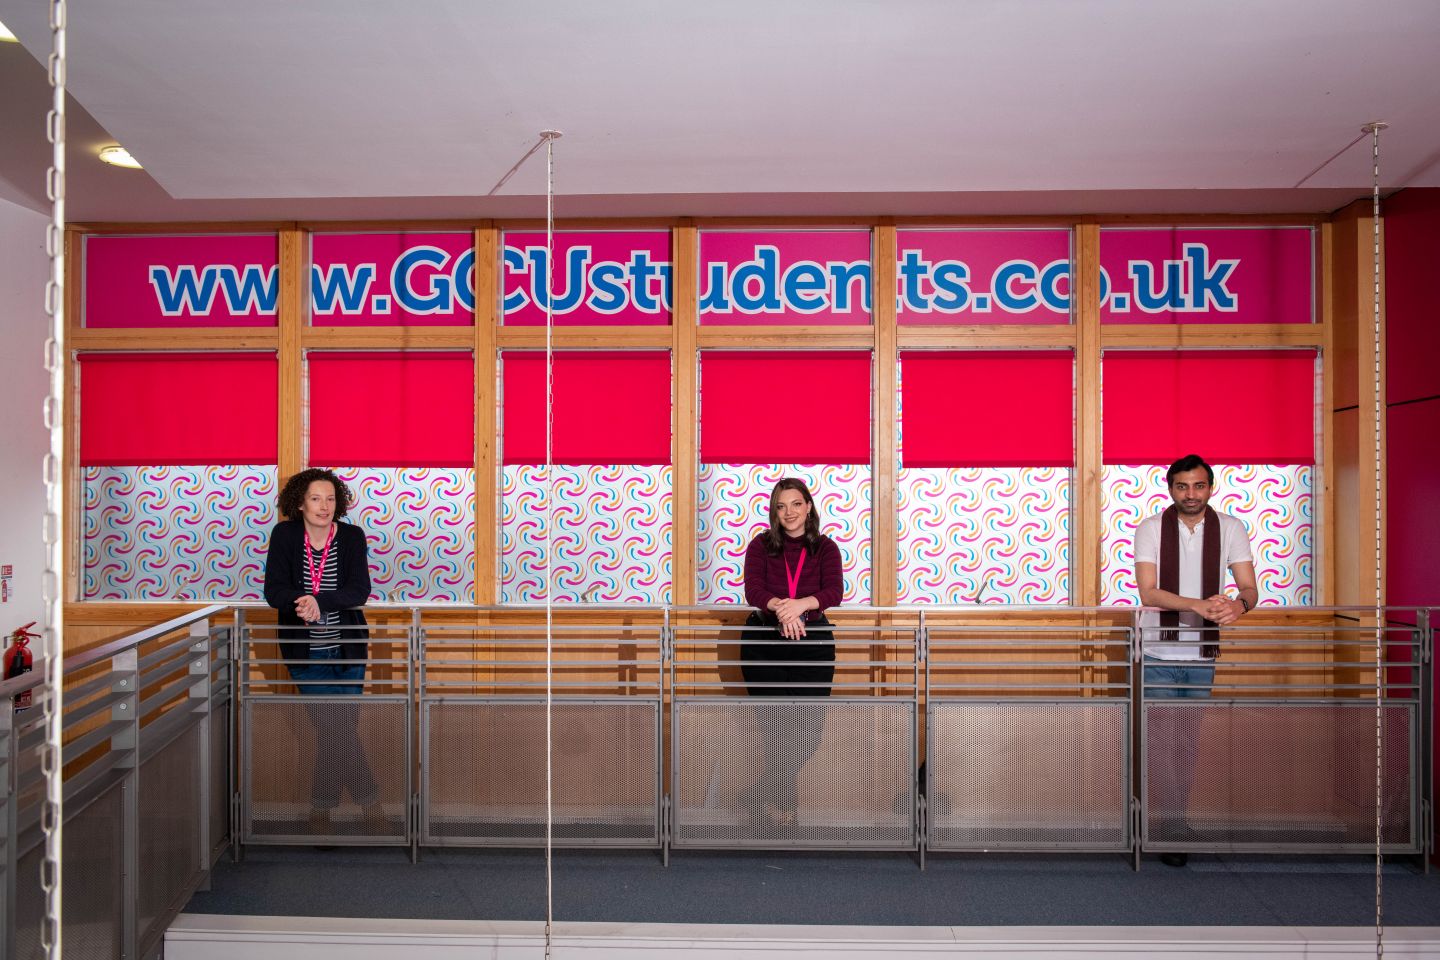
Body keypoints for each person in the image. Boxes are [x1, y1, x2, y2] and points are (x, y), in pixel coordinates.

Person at [1134, 454, 1258, 867]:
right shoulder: (1151, 528)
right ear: (1170, 489)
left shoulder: (1231, 528)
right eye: (1183, 486)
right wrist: (1200, 607)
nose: (1191, 494)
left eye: (1199, 486)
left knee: (1187, 743)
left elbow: (1249, 589)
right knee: (1161, 743)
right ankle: (1164, 824)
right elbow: (1148, 593)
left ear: (1211, 487)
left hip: (1201, 653)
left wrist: (1238, 607)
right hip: (1158, 650)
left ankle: (1175, 820)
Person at [262, 467, 384, 834]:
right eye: (316, 498)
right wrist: (302, 602)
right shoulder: (285, 535)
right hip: (306, 653)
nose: (324, 506)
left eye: (331, 499)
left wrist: (319, 600)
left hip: (348, 651)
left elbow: (358, 591)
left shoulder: (350, 536)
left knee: (339, 728)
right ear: (299, 503)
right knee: (336, 728)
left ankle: (324, 813)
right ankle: (368, 806)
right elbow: (274, 590)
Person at [740, 478, 845, 830]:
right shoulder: (760, 545)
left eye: (796, 504)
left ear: (808, 507)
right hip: (763, 641)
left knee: (809, 732)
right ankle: (783, 814)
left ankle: (764, 794)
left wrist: (800, 606)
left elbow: (834, 591)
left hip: (812, 641)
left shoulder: (826, 548)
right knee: (773, 729)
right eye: (782, 506)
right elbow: (753, 588)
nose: (789, 512)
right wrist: (781, 610)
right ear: (775, 510)